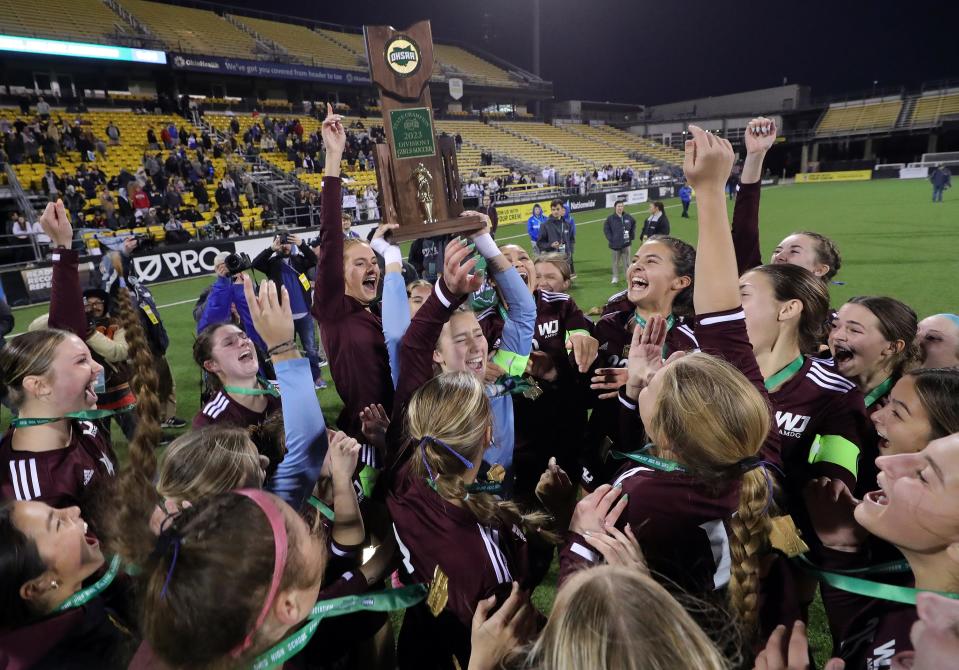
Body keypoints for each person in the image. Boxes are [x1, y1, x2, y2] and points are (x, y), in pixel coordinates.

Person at [387, 372, 554, 669]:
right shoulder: (485, 562)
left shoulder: (406, 477)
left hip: (421, 640)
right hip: (463, 647)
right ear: (488, 435)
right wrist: (562, 516)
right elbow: (515, 646)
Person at [0, 201, 117, 511]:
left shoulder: (78, 422)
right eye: (82, 361)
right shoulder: (33, 490)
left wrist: (62, 247)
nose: (96, 367)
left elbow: (67, 337)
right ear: (39, 385)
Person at [311, 104, 394, 446]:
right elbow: (331, 234)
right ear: (338, 274)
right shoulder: (334, 308)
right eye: (359, 263)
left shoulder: (372, 313)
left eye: (373, 261)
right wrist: (334, 158)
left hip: (395, 430)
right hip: (366, 439)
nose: (371, 266)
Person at [252, 233, 326, 389]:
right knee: (286, 349)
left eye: (287, 242)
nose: (285, 245)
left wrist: (301, 244)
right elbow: (255, 263)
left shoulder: (299, 260)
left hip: (304, 314)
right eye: (282, 243)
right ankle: (294, 380)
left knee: (310, 348)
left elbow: (315, 260)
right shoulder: (272, 263)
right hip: (283, 317)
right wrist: (271, 249)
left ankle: (316, 378)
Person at [603, 200, 636, 284]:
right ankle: (615, 277)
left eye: (621, 206)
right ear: (615, 207)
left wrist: (631, 236)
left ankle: (628, 277)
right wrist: (611, 238)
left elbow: (633, 225)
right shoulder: (610, 218)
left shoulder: (628, 217)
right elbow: (606, 229)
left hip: (626, 244)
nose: (620, 208)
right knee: (615, 263)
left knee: (627, 263)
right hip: (615, 245)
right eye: (618, 206)